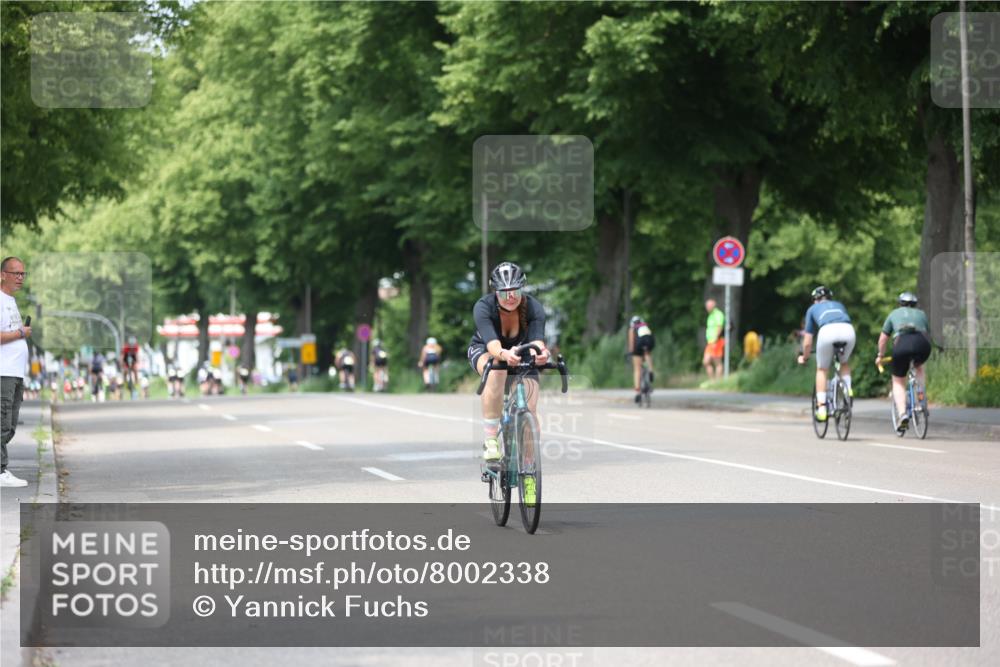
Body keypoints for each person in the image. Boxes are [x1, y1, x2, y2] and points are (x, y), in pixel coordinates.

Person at [467, 261, 549, 506]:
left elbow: (538, 341)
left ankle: (528, 474)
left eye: (515, 290)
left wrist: (542, 355)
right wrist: (503, 355)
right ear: (495, 292)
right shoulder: (484, 307)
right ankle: (491, 439)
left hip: (522, 352)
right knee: (497, 370)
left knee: (531, 414)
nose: (510, 296)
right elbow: (493, 345)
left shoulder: (533, 307)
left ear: (522, 289)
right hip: (486, 350)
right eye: (504, 292)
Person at [797, 286, 856, 422]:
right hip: (848, 330)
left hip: (827, 331)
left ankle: (822, 407)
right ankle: (848, 390)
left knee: (822, 369)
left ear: (815, 300)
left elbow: (807, 342)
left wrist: (804, 357)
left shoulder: (812, 309)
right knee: (844, 362)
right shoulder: (839, 305)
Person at [876, 291, 932, 434]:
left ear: (899, 303)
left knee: (898, 381)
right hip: (922, 344)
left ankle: (902, 415)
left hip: (902, 344)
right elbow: (928, 333)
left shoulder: (894, 314)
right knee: (919, 367)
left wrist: (880, 356)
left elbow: (883, 339)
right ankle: (920, 396)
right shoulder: (922, 314)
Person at [1, 256, 30, 487]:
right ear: (3, 275)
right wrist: (21, 334)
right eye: (16, 273)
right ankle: (0, 471)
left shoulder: (10, 301)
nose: (20, 277)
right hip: (4, 372)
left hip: (15, 372)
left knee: (10, 425)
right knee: (3, 422)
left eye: (22, 274)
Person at [627, 315, 655, 403]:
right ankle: (650, 370)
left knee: (637, 369)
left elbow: (632, 343)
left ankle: (638, 392)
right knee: (647, 353)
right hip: (647, 345)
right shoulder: (645, 327)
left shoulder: (632, 329)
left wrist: (631, 352)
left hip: (637, 349)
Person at [703, 298, 725, 379]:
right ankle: (712, 381)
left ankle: (718, 382)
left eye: (709, 306)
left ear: (713, 306)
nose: (707, 308)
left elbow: (720, 327)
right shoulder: (710, 315)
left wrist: (716, 339)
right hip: (710, 342)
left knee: (717, 362)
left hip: (717, 341)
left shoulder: (718, 314)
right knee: (706, 362)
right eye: (706, 306)